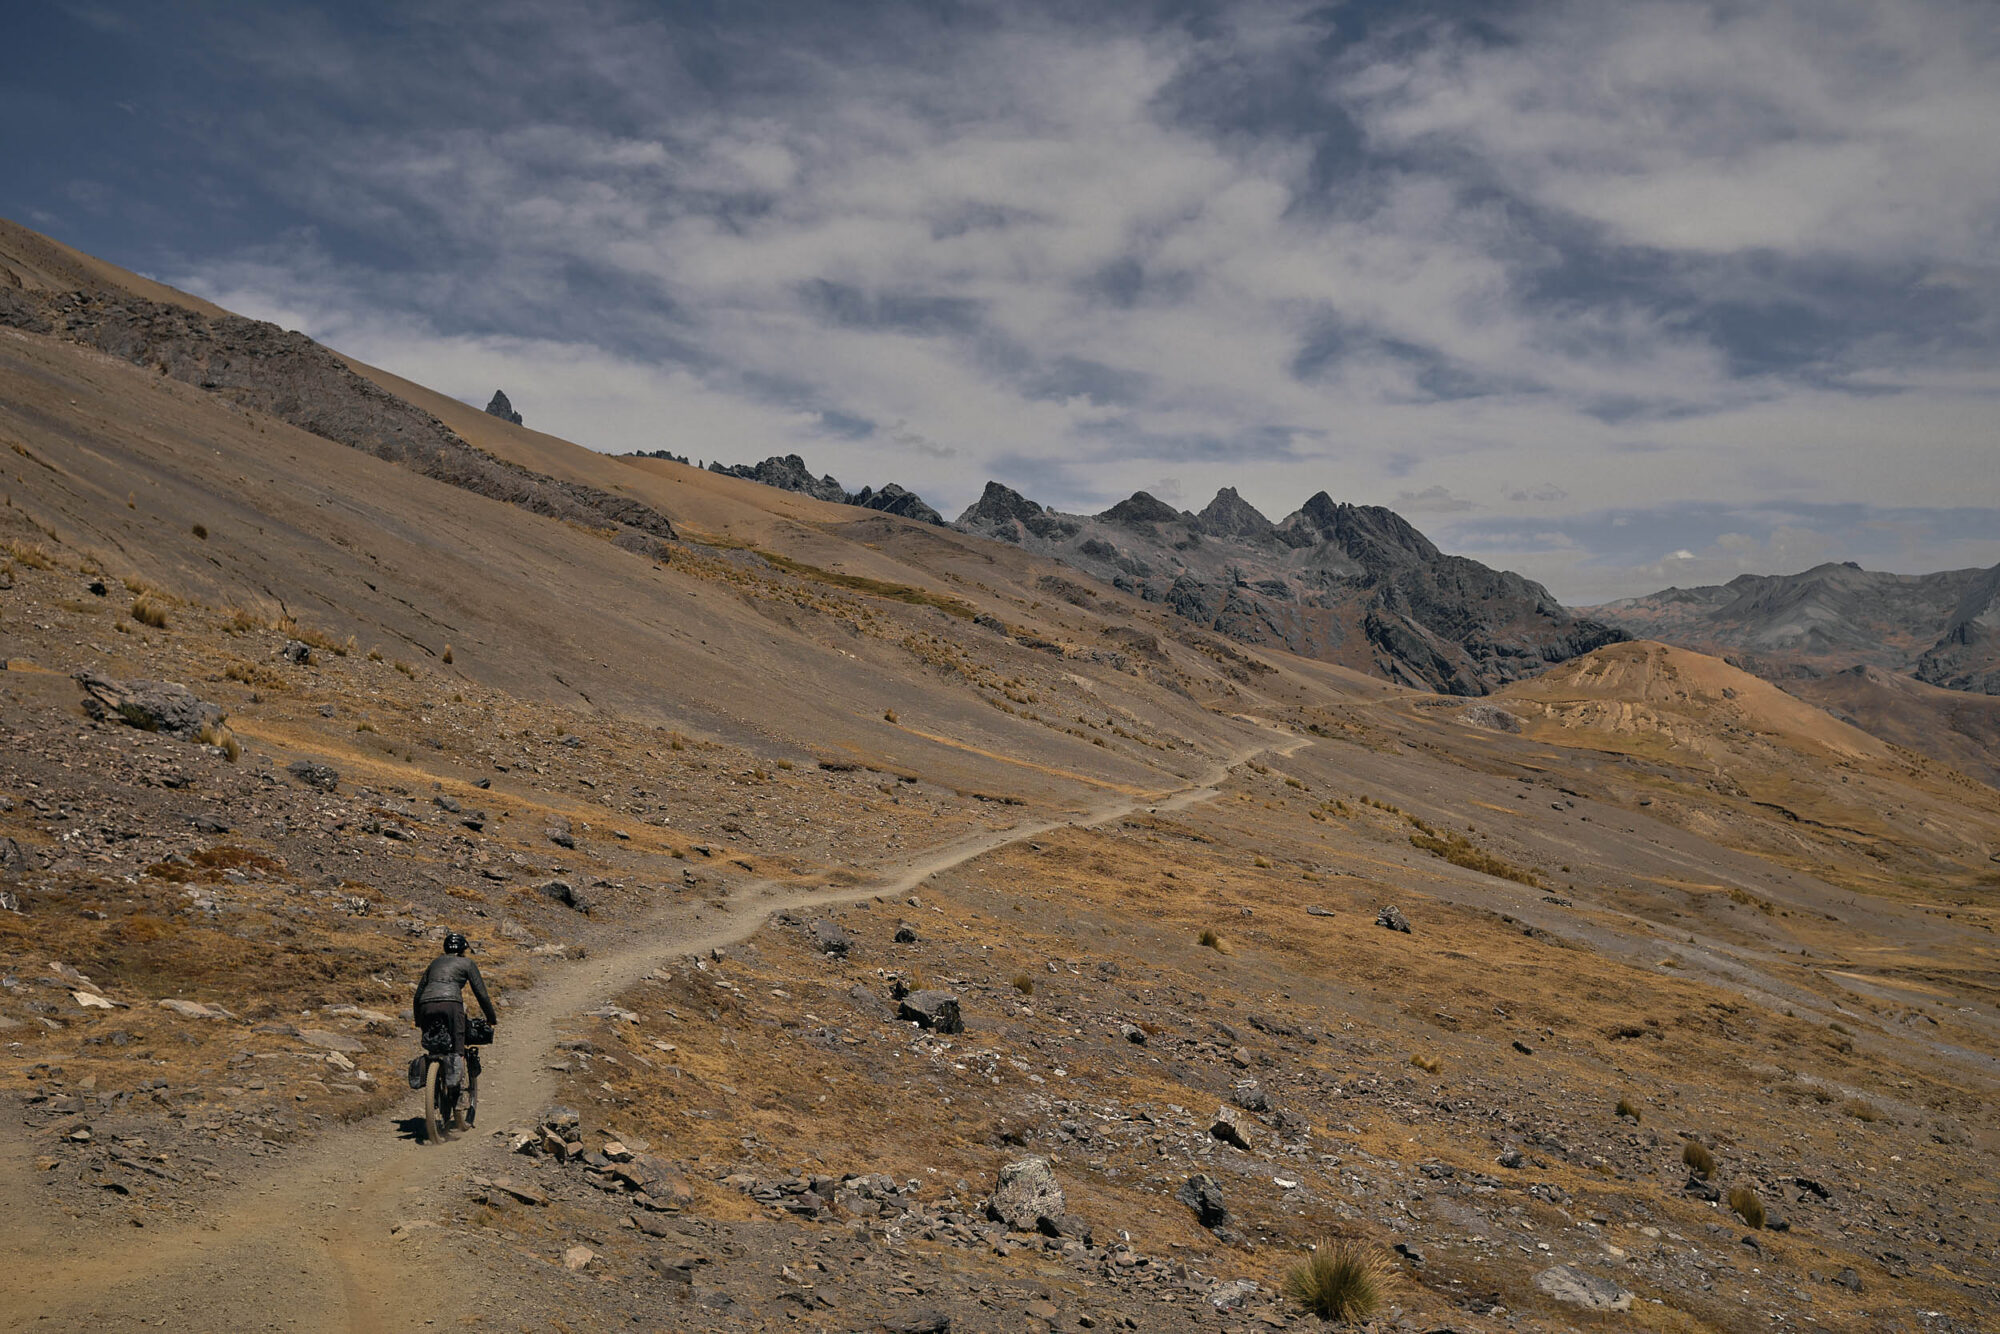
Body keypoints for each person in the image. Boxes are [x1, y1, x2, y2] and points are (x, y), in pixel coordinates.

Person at [412, 931, 497, 1122]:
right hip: (452, 1005)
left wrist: (419, 1020)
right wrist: (492, 1018)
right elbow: (481, 994)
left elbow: (417, 995)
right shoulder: (467, 964)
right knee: (458, 1048)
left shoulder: (434, 963)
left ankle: (433, 1079)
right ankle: (459, 1097)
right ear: (463, 949)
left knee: (433, 1044)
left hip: (426, 1005)